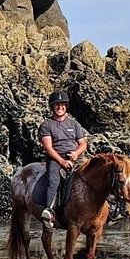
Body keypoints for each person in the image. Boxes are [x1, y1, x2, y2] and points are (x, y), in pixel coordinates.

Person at [38, 91, 89, 226]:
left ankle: (110, 208)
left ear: (66, 106)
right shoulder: (46, 125)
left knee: (96, 173)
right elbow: (48, 148)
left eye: (62, 105)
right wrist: (62, 161)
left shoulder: (74, 124)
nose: (60, 107)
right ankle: (49, 211)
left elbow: (83, 144)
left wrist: (76, 154)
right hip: (56, 158)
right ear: (52, 107)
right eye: (56, 105)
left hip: (75, 157)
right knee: (53, 179)